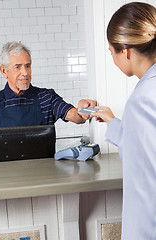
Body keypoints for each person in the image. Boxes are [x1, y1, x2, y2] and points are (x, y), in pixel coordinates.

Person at [88, 2, 156, 239]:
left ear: (125, 51)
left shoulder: (142, 100)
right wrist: (113, 121)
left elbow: (146, 182)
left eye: (111, 52)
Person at [0, 41, 96, 129]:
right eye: (17, 67)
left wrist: (83, 109)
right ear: (4, 71)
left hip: (44, 164)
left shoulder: (47, 98)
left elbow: (76, 117)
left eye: (27, 66)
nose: (25, 73)